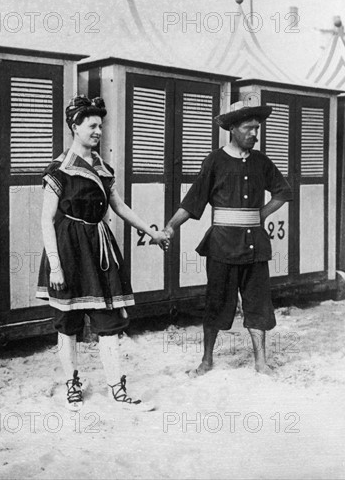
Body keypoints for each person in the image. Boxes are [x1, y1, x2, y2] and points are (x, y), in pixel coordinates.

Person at [36, 95, 169, 410]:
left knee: (108, 323)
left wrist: (152, 232)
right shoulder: (59, 169)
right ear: (75, 127)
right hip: (68, 250)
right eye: (92, 125)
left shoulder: (103, 168)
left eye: (100, 126)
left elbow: (119, 207)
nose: (98, 131)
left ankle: (117, 390)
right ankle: (72, 386)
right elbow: (45, 219)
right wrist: (55, 266)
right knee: (68, 323)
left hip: (99, 250)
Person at [163, 103, 292, 376]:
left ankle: (260, 361)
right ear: (232, 129)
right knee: (216, 302)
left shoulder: (262, 162)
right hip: (221, 246)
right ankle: (207, 359)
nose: (254, 133)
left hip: (255, 247)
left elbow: (282, 192)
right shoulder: (215, 161)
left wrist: (260, 215)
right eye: (248, 128)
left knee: (257, 303)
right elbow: (194, 199)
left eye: (257, 128)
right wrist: (171, 227)